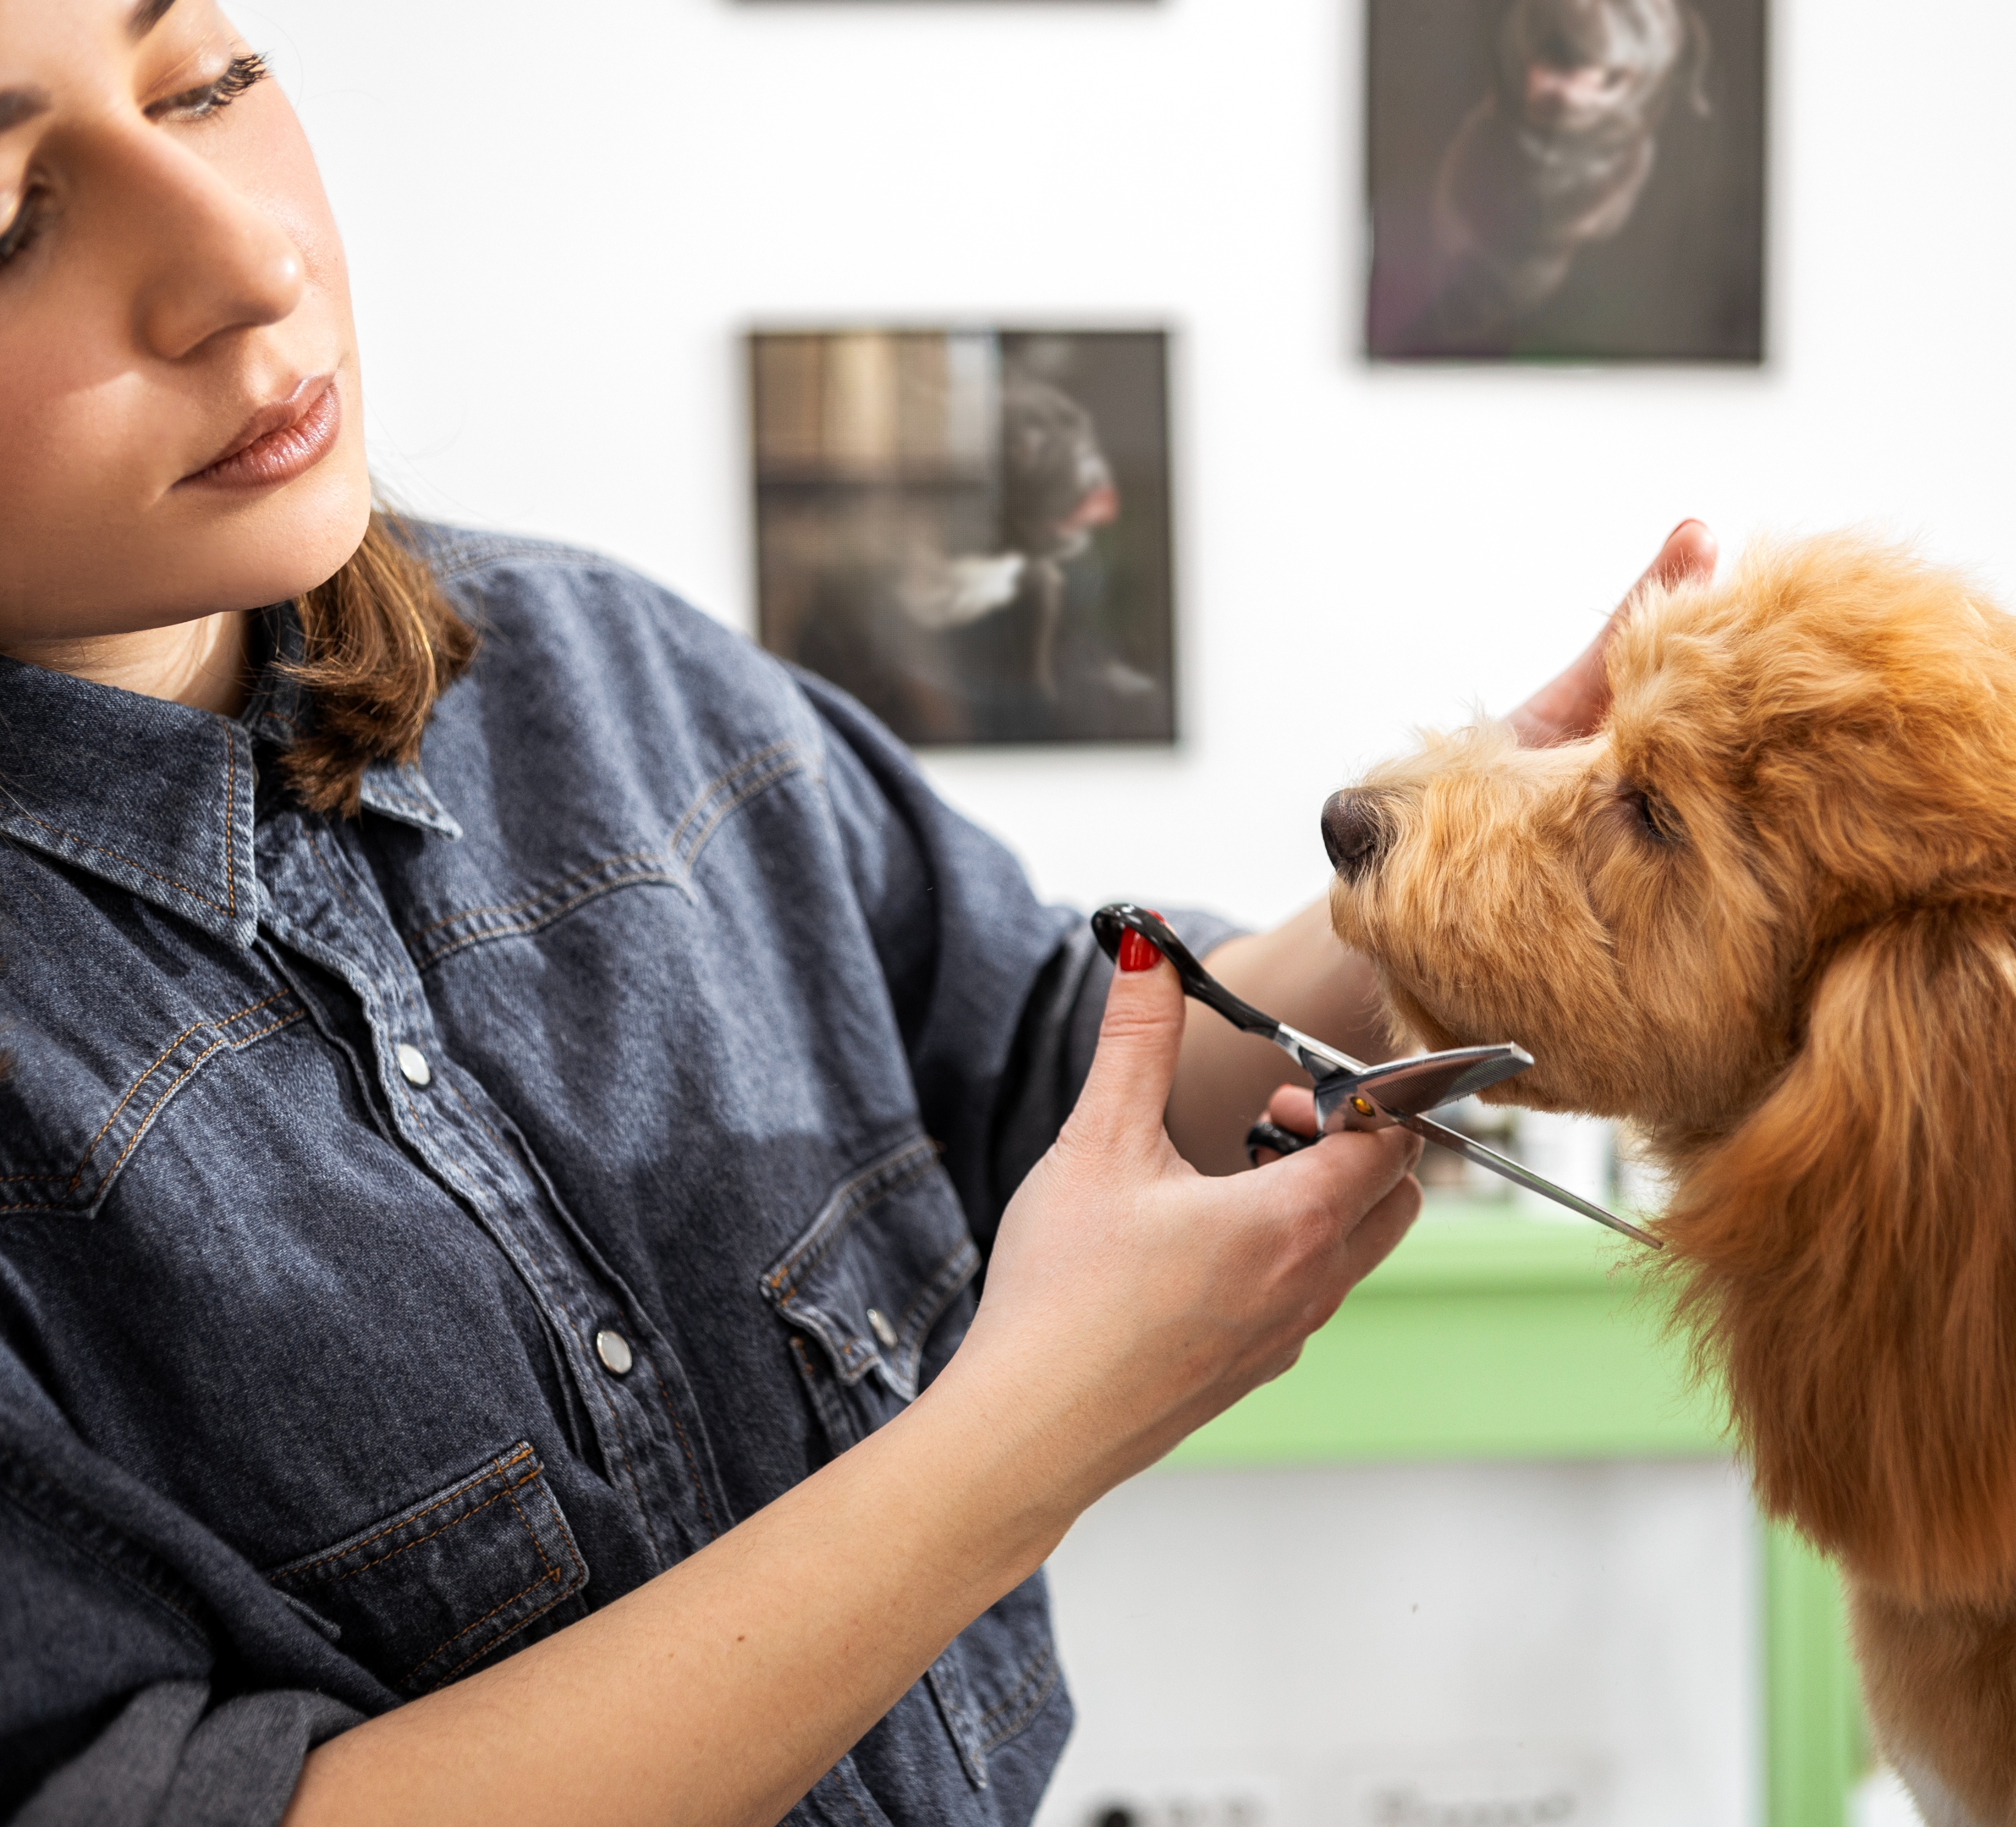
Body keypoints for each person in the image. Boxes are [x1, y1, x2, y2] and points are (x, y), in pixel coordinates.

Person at [0, 4, 1720, 1823]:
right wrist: (1029, 1437)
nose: (249, 258)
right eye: (11, 213)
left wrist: (1450, 898)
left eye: (207, 78)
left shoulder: (610, 673)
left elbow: (1069, 1058)